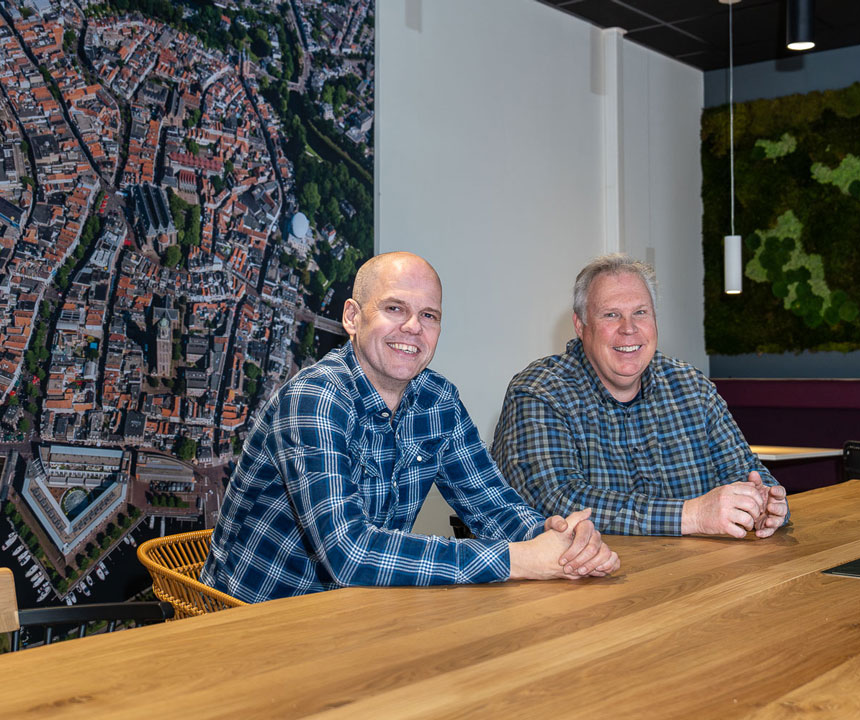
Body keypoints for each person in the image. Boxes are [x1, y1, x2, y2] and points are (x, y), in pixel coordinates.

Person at [202, 251, 620, 603]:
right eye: (394, 308)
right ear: (352, 317)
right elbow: (350, 554)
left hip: (355, 613)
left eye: (429, 315)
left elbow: (493, 505)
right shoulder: (315, 399)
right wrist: (519, 559)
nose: (413, 327)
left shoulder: (438, 401)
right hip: (254, 619)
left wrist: (557, 537)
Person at [491, 254, 788, 538]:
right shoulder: (538, 393)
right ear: (581, 327)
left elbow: (746, 473)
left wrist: (766, 504)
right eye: (611, 315)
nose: (629, 329)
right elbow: (557, 501)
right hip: (585, 583)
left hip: (694, 576)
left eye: (640, 313)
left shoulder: (692, 388)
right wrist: (694, 515)